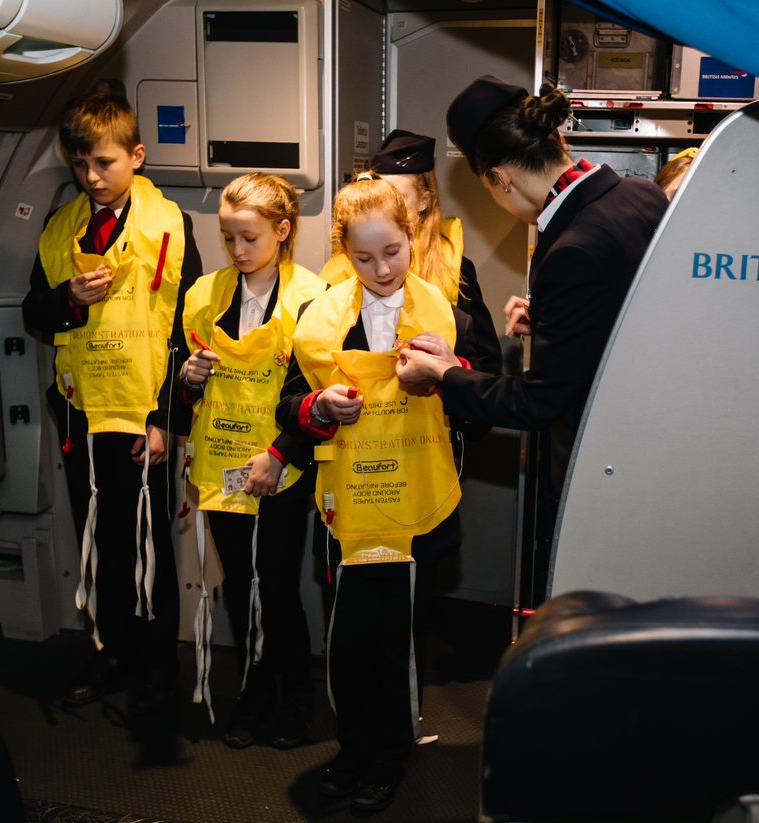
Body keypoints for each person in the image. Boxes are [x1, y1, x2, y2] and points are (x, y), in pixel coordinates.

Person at [396, 76, 668, 607]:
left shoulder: (572, 247)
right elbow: (628, 318)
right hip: (654, 451)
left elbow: (541, 401)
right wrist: (550, 325)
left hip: (606, 474)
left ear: (499, 178)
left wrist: (446, 374)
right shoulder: (638, 195)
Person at [275, 177, 483, 814]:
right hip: (348, 510)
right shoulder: (320, 323)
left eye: (391, 251)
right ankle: (354, 749)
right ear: (343, 252)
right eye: (363, 258)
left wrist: (453, 372)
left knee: (396, 644)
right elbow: (286, 409)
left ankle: (388, 758)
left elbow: (484, 412)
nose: (381, 268)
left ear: (412, 237)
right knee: (348, 641)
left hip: (416, 510)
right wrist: (318, 407)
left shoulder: (453, 317)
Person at [22, 81, 202, 714]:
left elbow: (189, 328)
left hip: (143, 414)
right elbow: (34, 310)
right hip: (81, 410)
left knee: (150, 542)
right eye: (80, 164)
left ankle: (158, 668)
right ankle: (113, 655)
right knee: (100, 543)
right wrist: (71, 298)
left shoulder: (171, 226)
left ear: (137, 156)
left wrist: (166, 423)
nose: (92, 177)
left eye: (103, 162)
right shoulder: (59, 225)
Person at [175, 173, 326, 749]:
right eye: (229, 238)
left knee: (278, 585)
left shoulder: (311, 298)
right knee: (238, 583)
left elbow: (314, 392)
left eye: (250, 238)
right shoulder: (207, 295)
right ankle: (254, 692)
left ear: (283, 231)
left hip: (280, 465)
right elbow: (185, 387)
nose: (238, 251)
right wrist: (188, 379)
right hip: (222, 463)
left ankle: (294, 700)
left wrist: (279, 453)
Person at [320, 129, 501, 376]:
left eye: (397, 197)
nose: (385, 206)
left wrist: (449, 368)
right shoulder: (341, 267)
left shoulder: (453, 268)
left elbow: (486, 364)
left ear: (425, 200)